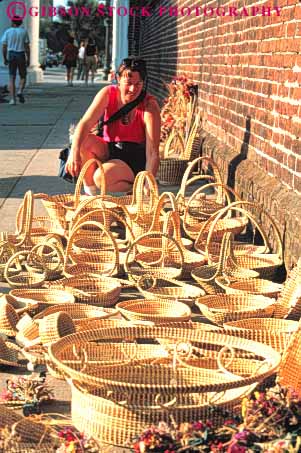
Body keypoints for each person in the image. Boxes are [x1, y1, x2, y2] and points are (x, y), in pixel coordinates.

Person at [66, 57, 161, 194]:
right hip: (110, 149)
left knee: (101, 177)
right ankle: (91, 195)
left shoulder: (149, 105)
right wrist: (73, 153)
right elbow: (85, 123)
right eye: (128, 83)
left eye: (138, 84)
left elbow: (153, 152)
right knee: (83, 140)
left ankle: (135, 187)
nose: (133, 89)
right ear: (118, 78)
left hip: (134, 159)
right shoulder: (108, 93)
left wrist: (148, 181)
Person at [1, 15, 30, 105]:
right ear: (20, 22)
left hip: (11, 54)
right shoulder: (24, 32)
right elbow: (27, 47)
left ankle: (13, 100)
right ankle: (20, 91)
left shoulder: (8, 32)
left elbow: (4, 46)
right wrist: (28, 58)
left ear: (13, 22)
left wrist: (5, 58)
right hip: (21, 54)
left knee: (12, 78)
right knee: (23, 76)